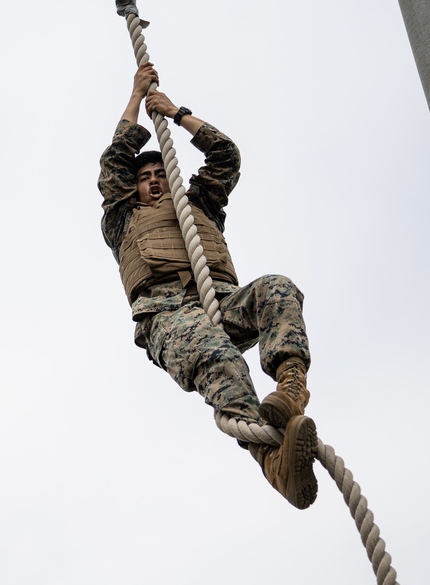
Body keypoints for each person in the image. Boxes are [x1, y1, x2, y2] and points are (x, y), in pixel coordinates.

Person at [97, 62, 318, 509]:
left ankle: (291, 388)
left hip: (222, 300)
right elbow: (114, 160)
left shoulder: (199, 205)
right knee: (219, 360)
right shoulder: (122, 218)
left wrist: (177, 114)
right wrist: (138, 97)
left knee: (277, 288)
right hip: (169, 313)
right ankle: (273, 460)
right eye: (146, 178)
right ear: (134, 189)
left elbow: (226, 157)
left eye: (160, 173)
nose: (155, 180)